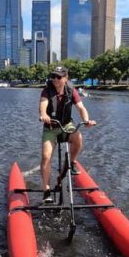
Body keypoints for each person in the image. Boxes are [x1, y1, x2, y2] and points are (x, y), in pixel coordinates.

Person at [39, 65, 96, 202]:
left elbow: (81, 107)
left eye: (59, 77)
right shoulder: (47, 90)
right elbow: (43, 105)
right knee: (46, 156)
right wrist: (43, 114)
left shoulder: (71, 90)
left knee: (78, 137)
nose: (55, 79)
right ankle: (46, 190)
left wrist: (86, 120)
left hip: (66, 124)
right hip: (51, 128)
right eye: (53, 76)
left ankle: (72, 162)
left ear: (66, 78)